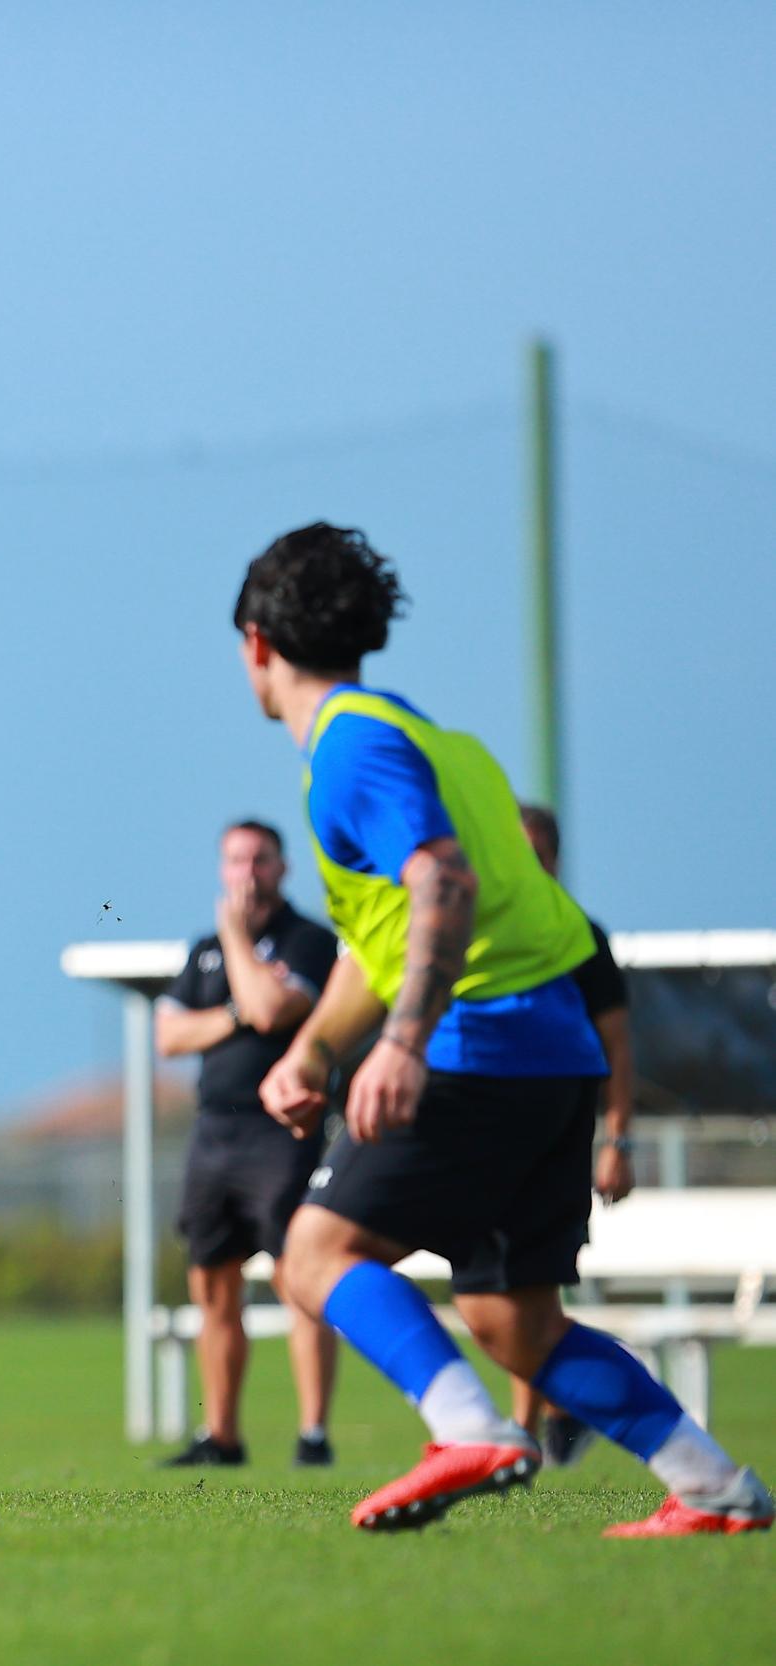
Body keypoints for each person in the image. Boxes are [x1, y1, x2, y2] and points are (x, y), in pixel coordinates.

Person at [236, 521, 768, 1536]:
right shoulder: (442, 741)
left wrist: (398, 1042)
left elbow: (443, 881)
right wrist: (313, 1046)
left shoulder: (350, 746)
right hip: (554, 1055)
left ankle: (467, 1429)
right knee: (512, 1320)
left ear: (257, 642)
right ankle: (714, 1483)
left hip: (479, 1047)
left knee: (311, 1250)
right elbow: (383, 939)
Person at [154, 819, 340, 1468]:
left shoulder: (310, 941)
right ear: (221, 870)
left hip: (282, 1132)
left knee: (300, 1281)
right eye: (236, 860)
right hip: (215, 1132)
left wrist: (238, 948)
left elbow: (272, 1011)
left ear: (283, 868)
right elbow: (169, 1036)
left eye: (261, 859)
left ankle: (313, 1435)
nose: (249, 872)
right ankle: (222, 1436)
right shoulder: (203, 949)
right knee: (212, 1285)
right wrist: (233, 1009)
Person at [506, 802, 637, 1469]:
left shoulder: (582, 937)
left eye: (537, 851)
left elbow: (615, 1044)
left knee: (531, 1286)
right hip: (493, 1135)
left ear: (554, 858)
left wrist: (618, 1141)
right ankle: (553, 1412)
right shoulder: (488, 932)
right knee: (506, 1287)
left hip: (558, 1137)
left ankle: (526, 1429)